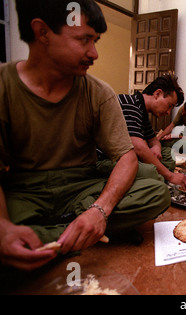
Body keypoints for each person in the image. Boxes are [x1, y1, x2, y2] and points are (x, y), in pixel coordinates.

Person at [0, 0, 170, 272]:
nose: (94, 53)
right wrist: (3, 227)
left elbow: (127, 157)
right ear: (42, 33)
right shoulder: (4, 86)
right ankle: (70, 233)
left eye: (96, 41)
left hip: (80, 186)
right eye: (84, 40)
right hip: (24, 191)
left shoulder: (98, 91)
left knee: (156, 192)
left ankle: (46, 236)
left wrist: (99, 209)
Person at [117, 75, 186, 190]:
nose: (168, 112)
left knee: (167, 155)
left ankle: (161, 176)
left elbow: (154, 141)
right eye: (169, 106)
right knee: (153, 174)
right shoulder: (130, 103)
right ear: (157, 94)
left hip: (129, 155)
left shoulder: (142, 110)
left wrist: (156, 148)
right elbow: (138, 146)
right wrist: (170, 175)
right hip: (110, 158)